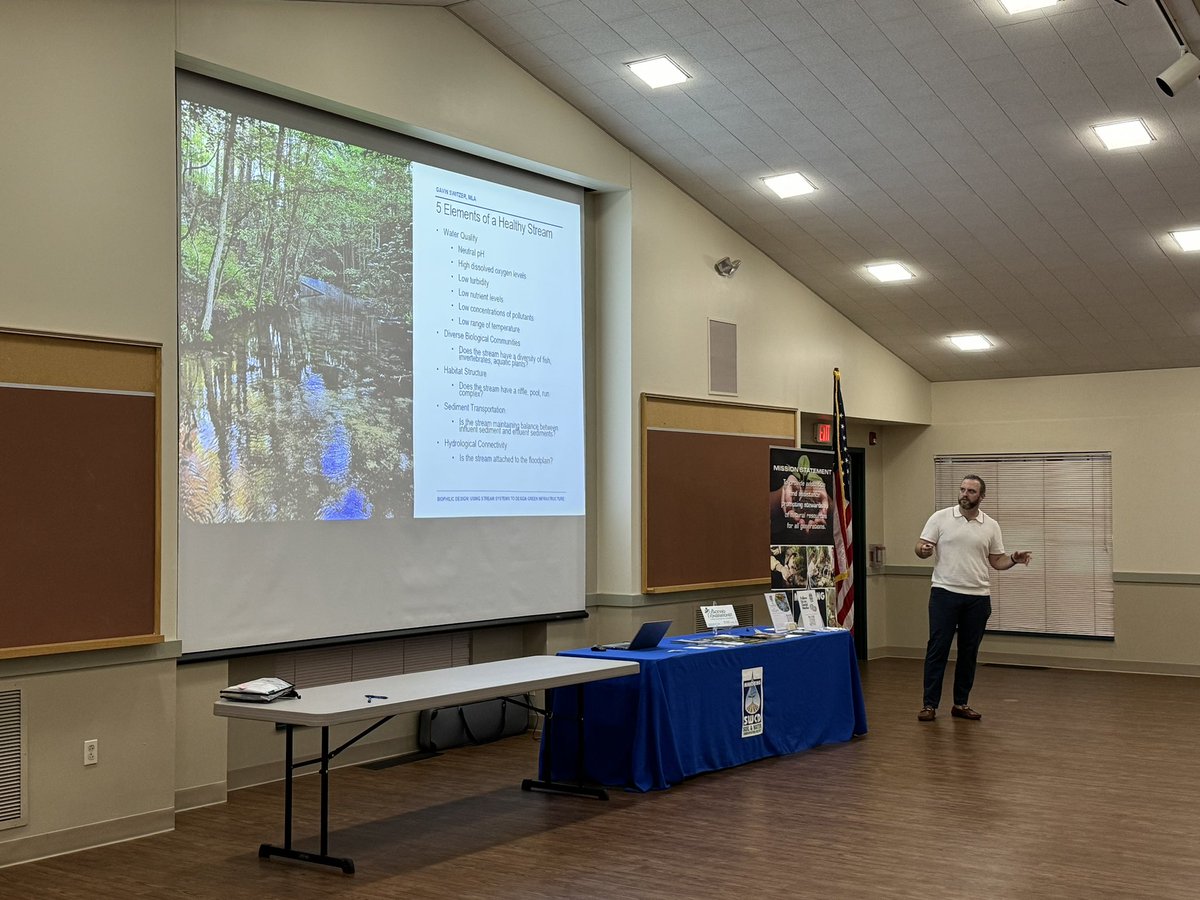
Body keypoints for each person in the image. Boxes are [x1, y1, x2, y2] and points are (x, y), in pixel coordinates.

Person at [914, 475, 1032, 722]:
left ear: (981, 497)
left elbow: (996, 561)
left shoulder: (990, 525)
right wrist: (923, 550)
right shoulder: (940, 518)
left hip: (977, 597)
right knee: (938, 648)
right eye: (962, 489)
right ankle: (929, 704)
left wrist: (1013, 558)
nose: (965, 494)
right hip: (944, 593)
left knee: (969, 652)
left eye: (971, 491)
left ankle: (960, 703)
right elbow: (921, 546)